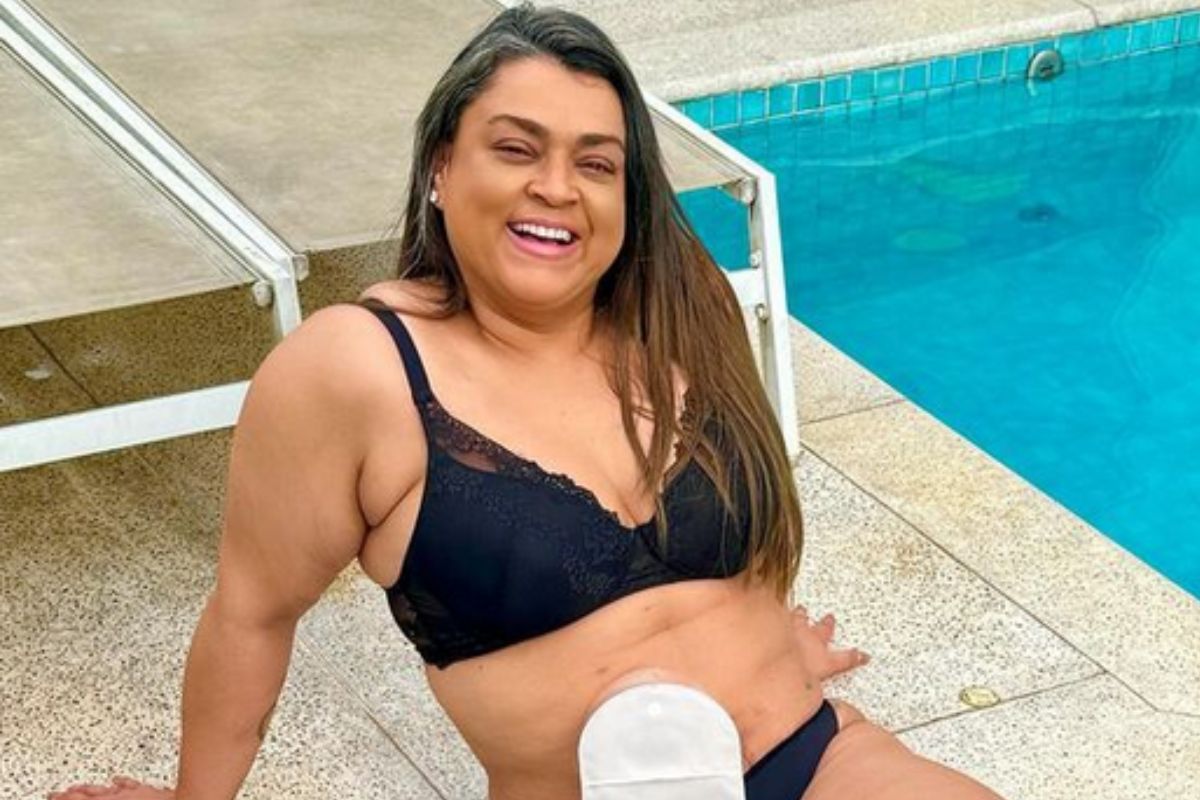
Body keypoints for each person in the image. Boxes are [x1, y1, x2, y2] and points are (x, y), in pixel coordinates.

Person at [49, 5, 1004, 799]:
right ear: (441, 167)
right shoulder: (356, 371)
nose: (557, 188)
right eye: (516, 149)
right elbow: (253, 613)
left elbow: (732, 550)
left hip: (808, 760)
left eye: (597, 163)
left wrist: (761, 640)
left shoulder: (682, 308)